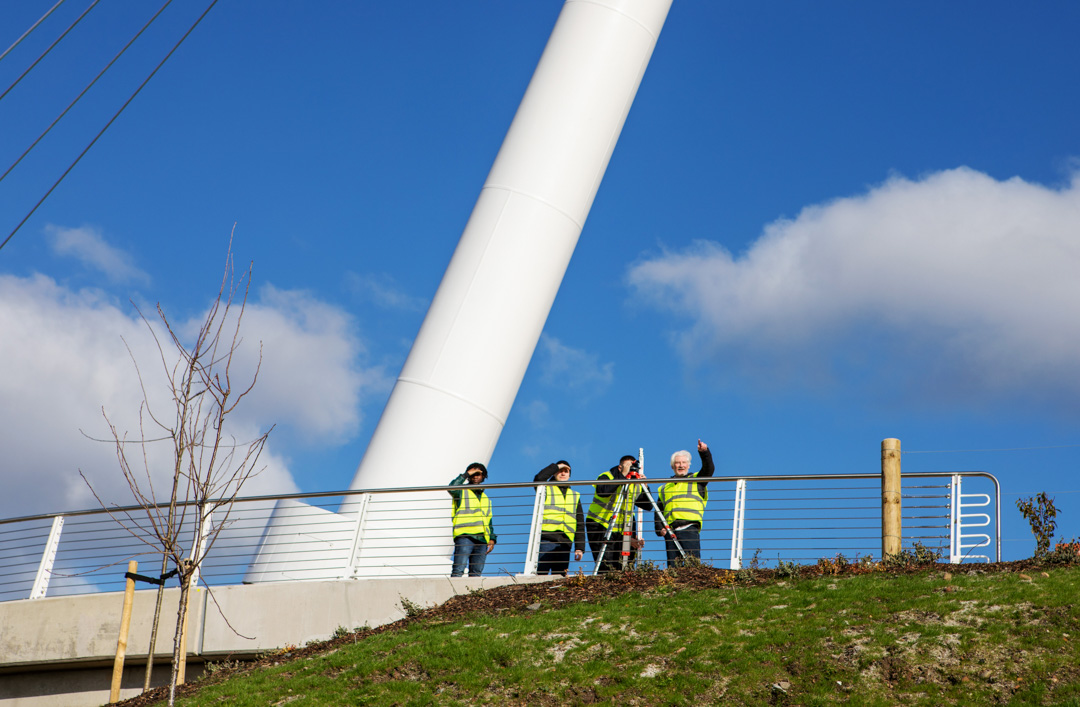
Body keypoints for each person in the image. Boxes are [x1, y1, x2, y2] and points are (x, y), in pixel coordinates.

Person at [586, 454, 651, 572]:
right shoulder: (607, 476)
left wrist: (646, 487)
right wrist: (623, 477)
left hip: (621, 531)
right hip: (600, 525)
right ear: (620, 467)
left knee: (624, 566)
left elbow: (648, 505)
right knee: (606, 565)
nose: (631, 469)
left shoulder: (634, 484)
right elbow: (603, 491)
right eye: (628, 466)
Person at [654, 439, 714, 567]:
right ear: (672, 466)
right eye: (677, 463)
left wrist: (704, 453)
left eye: (684, 462)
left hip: (689, 529)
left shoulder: (696, 479)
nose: (681, 465)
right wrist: (660, 529)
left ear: (688, 465)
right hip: (671, 531)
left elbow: (709, 469)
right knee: (672, 568)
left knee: (692, 566)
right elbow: (658, 509)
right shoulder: (664, 488)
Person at [533, 460, 586, 575]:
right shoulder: (546, 488)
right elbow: (538, 479)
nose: (562, 473)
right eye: (559, 471)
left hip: (565, 543)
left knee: (559, 579)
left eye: (566, 471)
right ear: (554, 473)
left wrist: (580, 547)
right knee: (540, 576)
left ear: (569, 475)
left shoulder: (575, 495)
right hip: (547, 539)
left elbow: (580, 523)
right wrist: (555, 466)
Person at [448, 462, 496, 577]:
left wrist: (492, 539)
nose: (475, 476)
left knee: (476, 574)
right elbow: (451, 488)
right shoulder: (462, 491)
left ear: (483, 476)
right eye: (473, 474)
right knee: (458, 570)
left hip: (482, 540)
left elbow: (488, 520)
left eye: (478, 474)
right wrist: (465, 474)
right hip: (465, 536)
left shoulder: (486, 499)